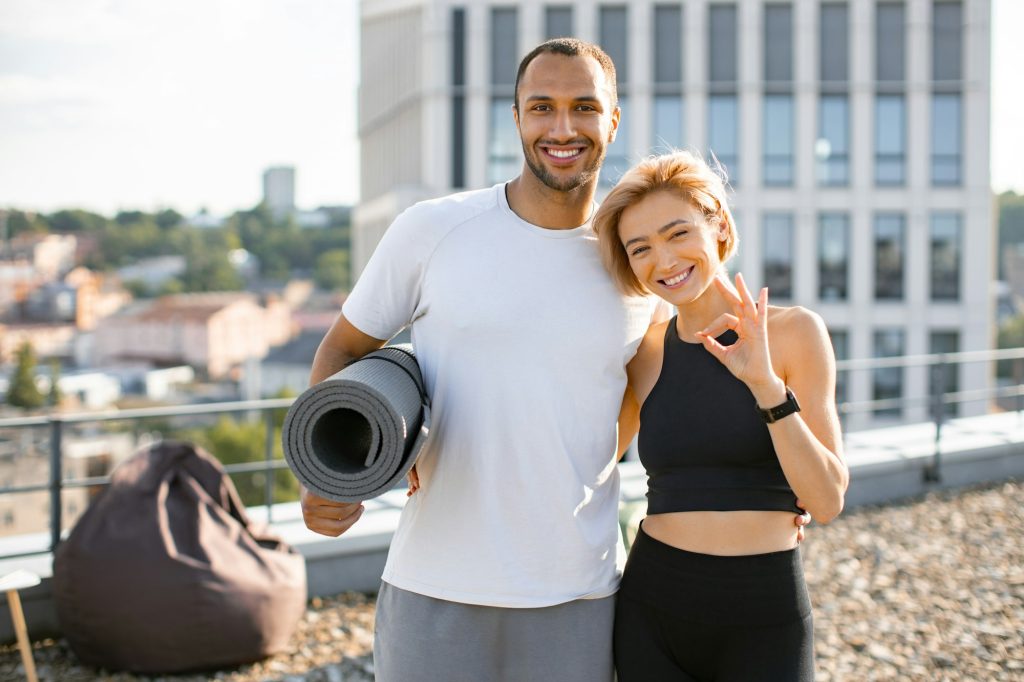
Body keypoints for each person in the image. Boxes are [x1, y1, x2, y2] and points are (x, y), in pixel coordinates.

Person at [300, 40, 807, 681]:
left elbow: (643, 404)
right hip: (435, 581)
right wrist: (328, 475)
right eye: (542, 107)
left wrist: (769, 490)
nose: (562, 128)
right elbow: (345, 348)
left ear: (612, 121)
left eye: (583, 108)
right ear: (517, 118)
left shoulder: (635, 265)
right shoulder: (431, 230)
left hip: (579, 594)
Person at [593, 151, 849, 681]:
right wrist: (425, 452)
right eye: (640, 248)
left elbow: (825, 500)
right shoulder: (646, 351)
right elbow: (587, 460)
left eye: (677, 233)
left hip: (764, 611)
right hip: (653, 606)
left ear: (719, 226)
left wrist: (765, 386)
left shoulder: (795, 332)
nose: (664, 261)